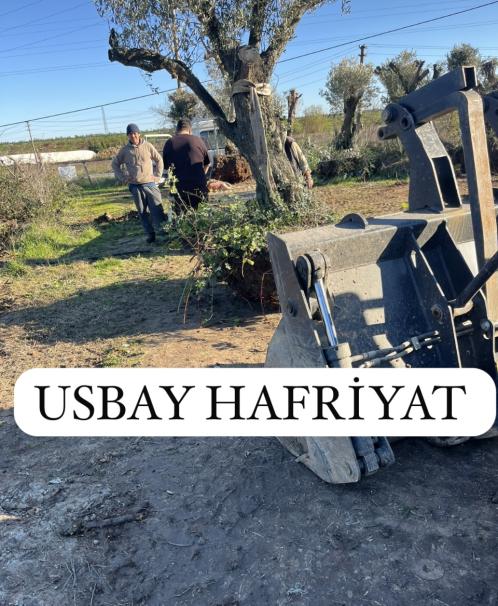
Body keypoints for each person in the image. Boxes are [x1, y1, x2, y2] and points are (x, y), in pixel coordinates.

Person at [112, 123, 165, 243]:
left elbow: (159, 159)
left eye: (135, 133)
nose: (133, 136)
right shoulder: (125, 150)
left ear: (139, 134)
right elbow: (115, 164)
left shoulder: (148, 146)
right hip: (135, 186)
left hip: (150, 184)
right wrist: (123, 178)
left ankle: (163, 234)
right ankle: (150, 235)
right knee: (142, 212)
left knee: (157, 210)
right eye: (130, 134)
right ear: (128, 136)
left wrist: (157, 176)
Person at [162, 118, 211, 214]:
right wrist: (201, 177)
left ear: (177, 130)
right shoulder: (198, 140)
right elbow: (207, 163)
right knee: (202, 215)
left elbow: (166, 168)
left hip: (178, 189)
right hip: (198, 187)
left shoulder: (169, 143)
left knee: (181, 217)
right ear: (190, 130)